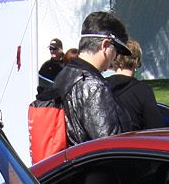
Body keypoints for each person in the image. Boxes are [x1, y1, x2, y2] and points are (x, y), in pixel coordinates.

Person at [47, 10, 132, 143]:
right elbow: (111, 147)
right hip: (89, 163)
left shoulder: (63, 75)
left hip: (68, 161)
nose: (116, 57)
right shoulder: (93, 86)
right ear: (104, 45)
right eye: (117, 50)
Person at [104, 40, 163, 131]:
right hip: (131, 141)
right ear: (136, 61)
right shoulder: (142, 90)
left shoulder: (102, 85)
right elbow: (156, 128)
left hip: (103, 142)